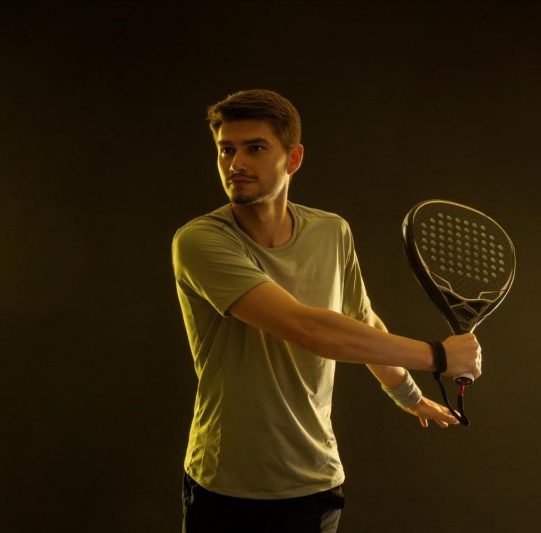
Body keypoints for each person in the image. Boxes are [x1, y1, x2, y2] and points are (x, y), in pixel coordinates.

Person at [172, 89, 482, 533]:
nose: (235, 163)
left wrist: (411, 397)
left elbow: (363, 324)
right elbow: (309, 330)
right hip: (227, 487)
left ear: (293, 159)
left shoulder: (332, 232)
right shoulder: (200, 241)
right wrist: (438, 355)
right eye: (226, 150)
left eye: (255, 148)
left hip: (316, 483)